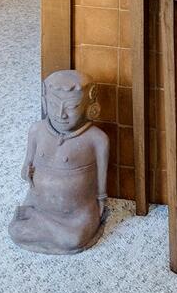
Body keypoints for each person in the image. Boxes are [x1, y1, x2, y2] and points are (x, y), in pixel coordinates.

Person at [8, 70, 108, 254]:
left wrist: (101, 202)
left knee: (73, 240)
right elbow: (26, 166)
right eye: (54, 105)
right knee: (15, 231)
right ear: (45, 101)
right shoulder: (37, 130)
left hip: (76, 212)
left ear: (89, 106)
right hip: (40, 203)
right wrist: (26, 172)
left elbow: (101, 182)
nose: (61, 114)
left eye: (71, 107)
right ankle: (39, 217)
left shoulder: (96, 139)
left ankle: (36, 220)